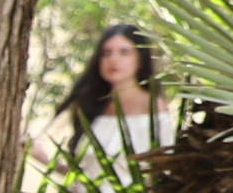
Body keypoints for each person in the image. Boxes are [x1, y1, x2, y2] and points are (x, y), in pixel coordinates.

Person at [62, 25, 174, 157]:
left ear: (140, 59)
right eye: (106, 53)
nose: (113, 60)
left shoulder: (153, 105)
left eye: (124, 52)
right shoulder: (91, 104)